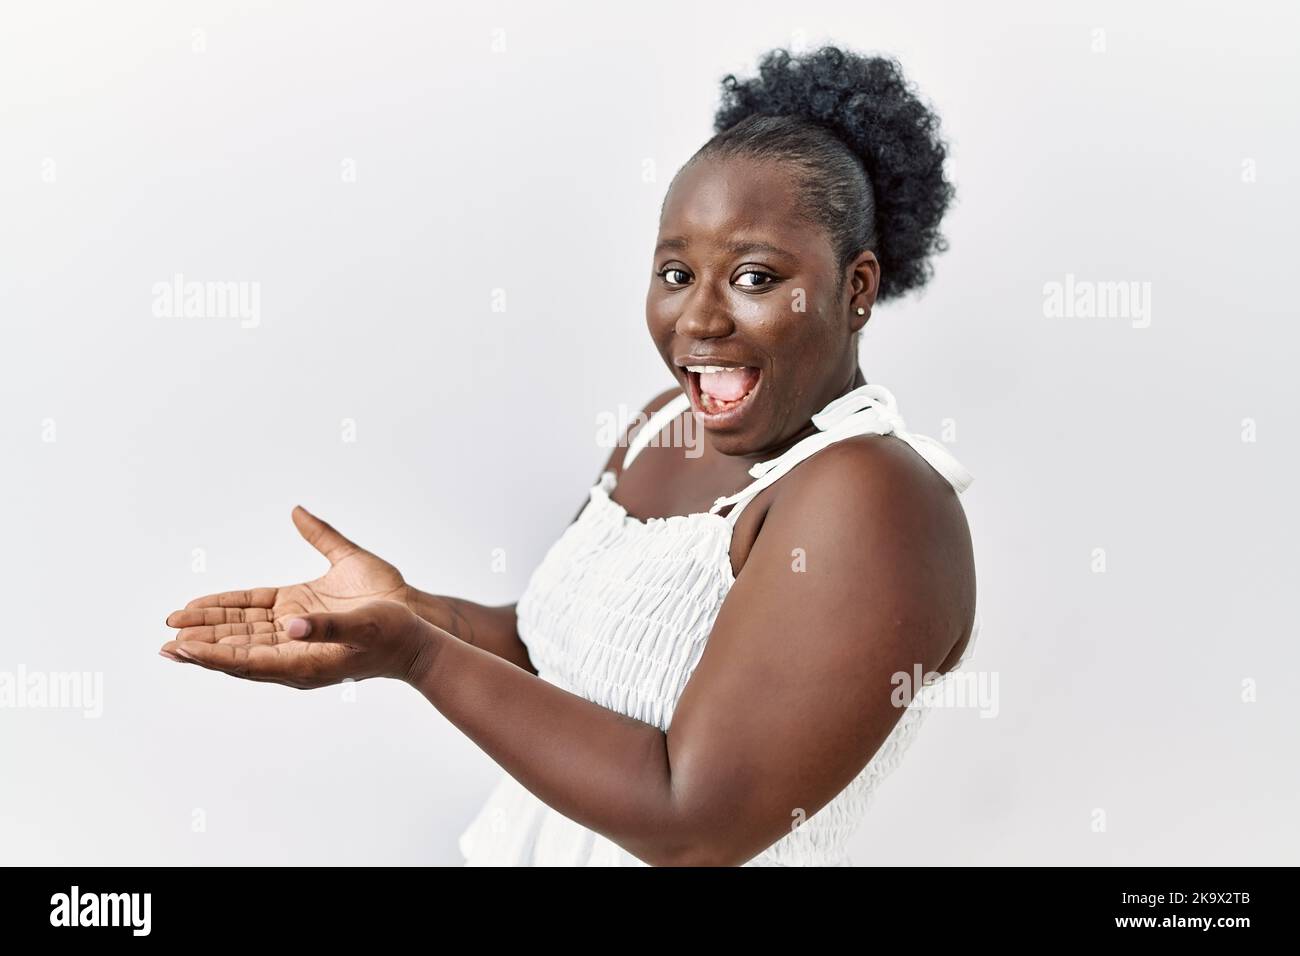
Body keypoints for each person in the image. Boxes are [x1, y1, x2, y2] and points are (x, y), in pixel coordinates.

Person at [160, 45, 981, 867]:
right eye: (675, 271)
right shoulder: (666, 424)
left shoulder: (876, 498)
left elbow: (693, 823)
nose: (699, 318)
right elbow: (544, 653)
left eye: (755, 277)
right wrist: (410, 610)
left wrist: (415, 655)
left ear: (858, 287)